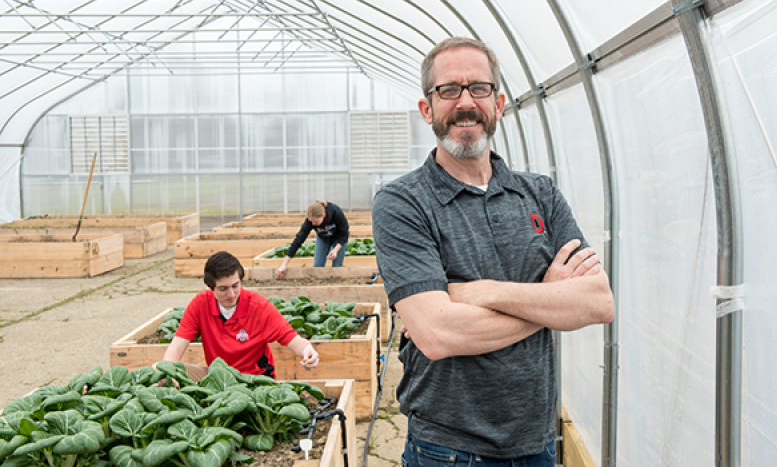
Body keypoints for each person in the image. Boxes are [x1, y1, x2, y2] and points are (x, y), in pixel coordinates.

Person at [372, 37, 615, 467]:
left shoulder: (539, 193)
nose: (465, 102)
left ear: (499, 103)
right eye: (449, 90)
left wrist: (480, 292)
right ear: (427, 109)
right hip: (447, 450)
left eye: (479, 88)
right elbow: (437, 334)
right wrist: (547, 299)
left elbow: (597, 302)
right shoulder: (403, 202)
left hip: (536, 443)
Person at [157, 251, 319, 382]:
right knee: (161, 372)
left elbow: (291, 338)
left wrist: (307, 350)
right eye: (223, 289)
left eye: (236, 286)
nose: (231, 294)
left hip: (254, 381)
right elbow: (177, 346)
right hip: (219, 379)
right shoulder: (200, 304)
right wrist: (168, 371)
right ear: (211, 287)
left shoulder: (259, 307)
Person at [275, 200, 349, 279]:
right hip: (323, 238)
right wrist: (284, 264)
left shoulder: (336, 212)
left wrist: (336, 249)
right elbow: (298, 240)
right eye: (311, 221)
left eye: (315, 222)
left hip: (339, 239)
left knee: (337, 267)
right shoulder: (310, 221)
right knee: (317, 267)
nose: (313, 224)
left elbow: (345, 233)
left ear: (323, 215)